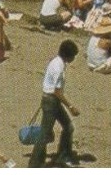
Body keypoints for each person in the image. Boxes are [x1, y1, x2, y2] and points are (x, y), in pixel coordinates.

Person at [29, 40, 80, 168]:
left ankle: (62, 155)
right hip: (51, 101)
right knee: (45, 133)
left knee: (68, 127)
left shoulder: (56, 62)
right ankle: (35, 164)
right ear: (69, 55)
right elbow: (57, 91)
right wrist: (71, 106)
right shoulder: (59, 67)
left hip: (50, 100)